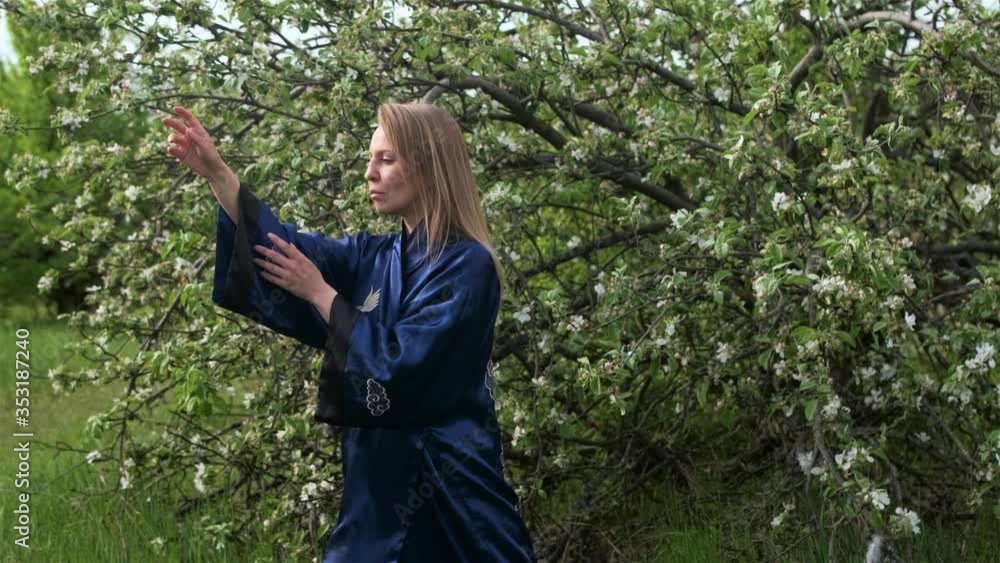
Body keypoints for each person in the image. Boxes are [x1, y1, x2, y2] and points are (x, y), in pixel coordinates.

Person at [162, 103, 536, 562]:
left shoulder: (467, 266)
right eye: (369, 158)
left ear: (428, 167)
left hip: (450, 493)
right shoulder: (372, 257)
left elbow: (405, 367)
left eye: (386, 159)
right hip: (376, 494)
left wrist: (322, 295)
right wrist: (219, 175)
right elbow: (284, 251)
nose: (369, 173)